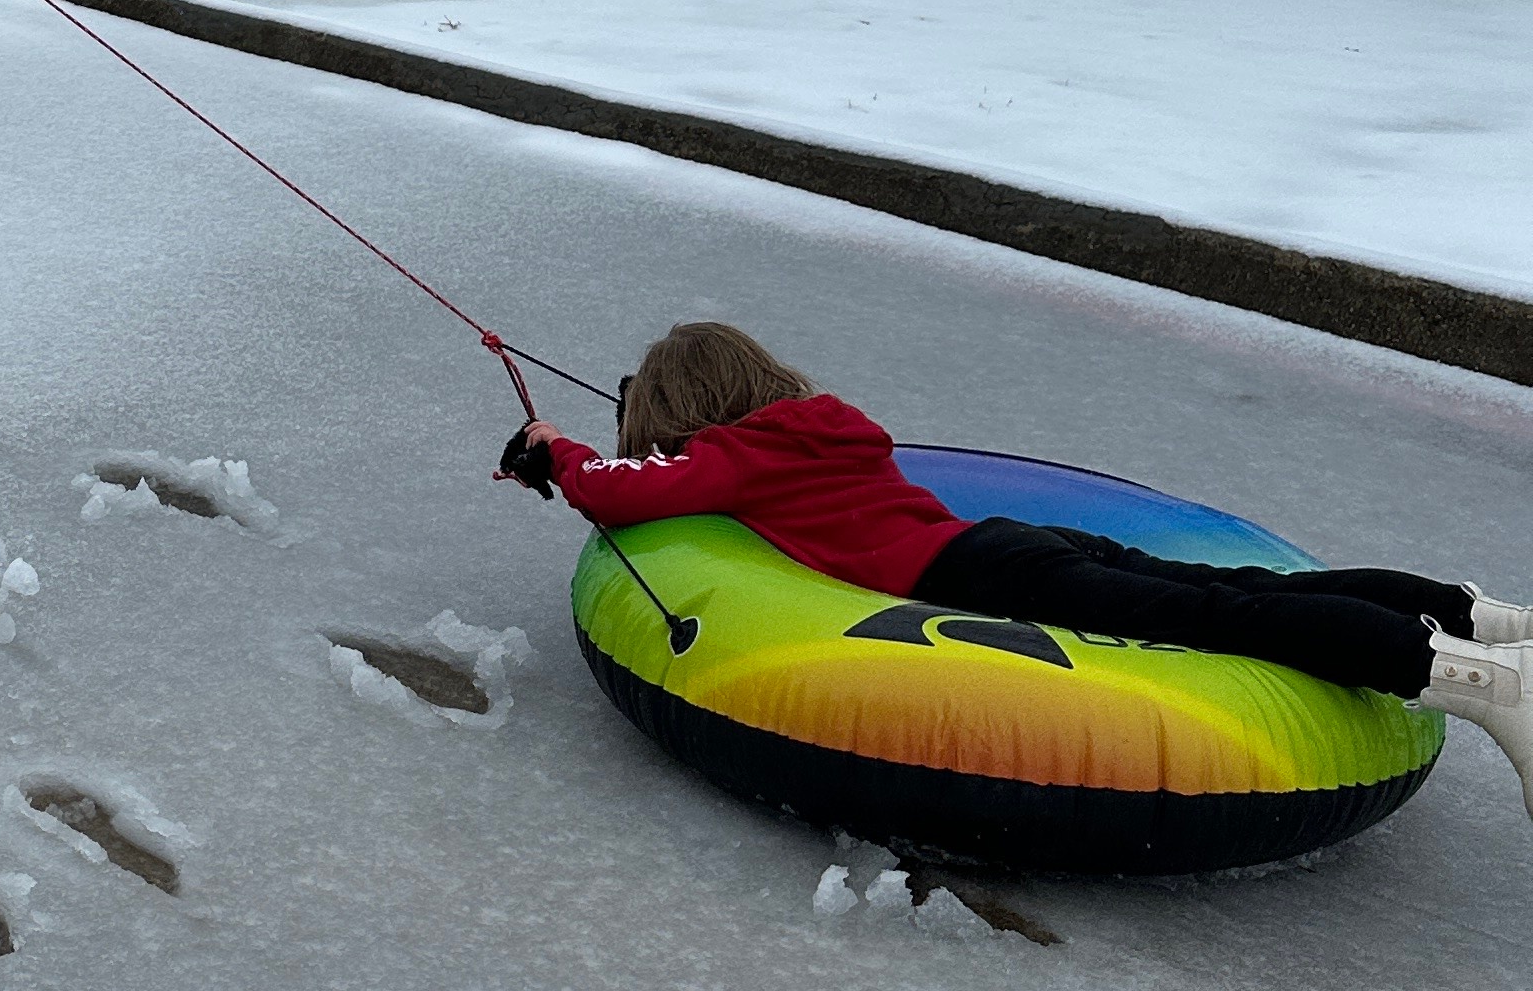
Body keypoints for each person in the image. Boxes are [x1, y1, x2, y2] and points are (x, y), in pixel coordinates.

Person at [504, 318, 1533, 792]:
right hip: (1002, 542)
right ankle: (1479, 614)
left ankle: (1469, 677)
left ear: (691, 412)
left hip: (973, 575)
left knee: (1228, 617)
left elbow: (625, 490)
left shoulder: (736, 458)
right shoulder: (819, 425)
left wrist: (556, 451)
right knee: (1237, 589)